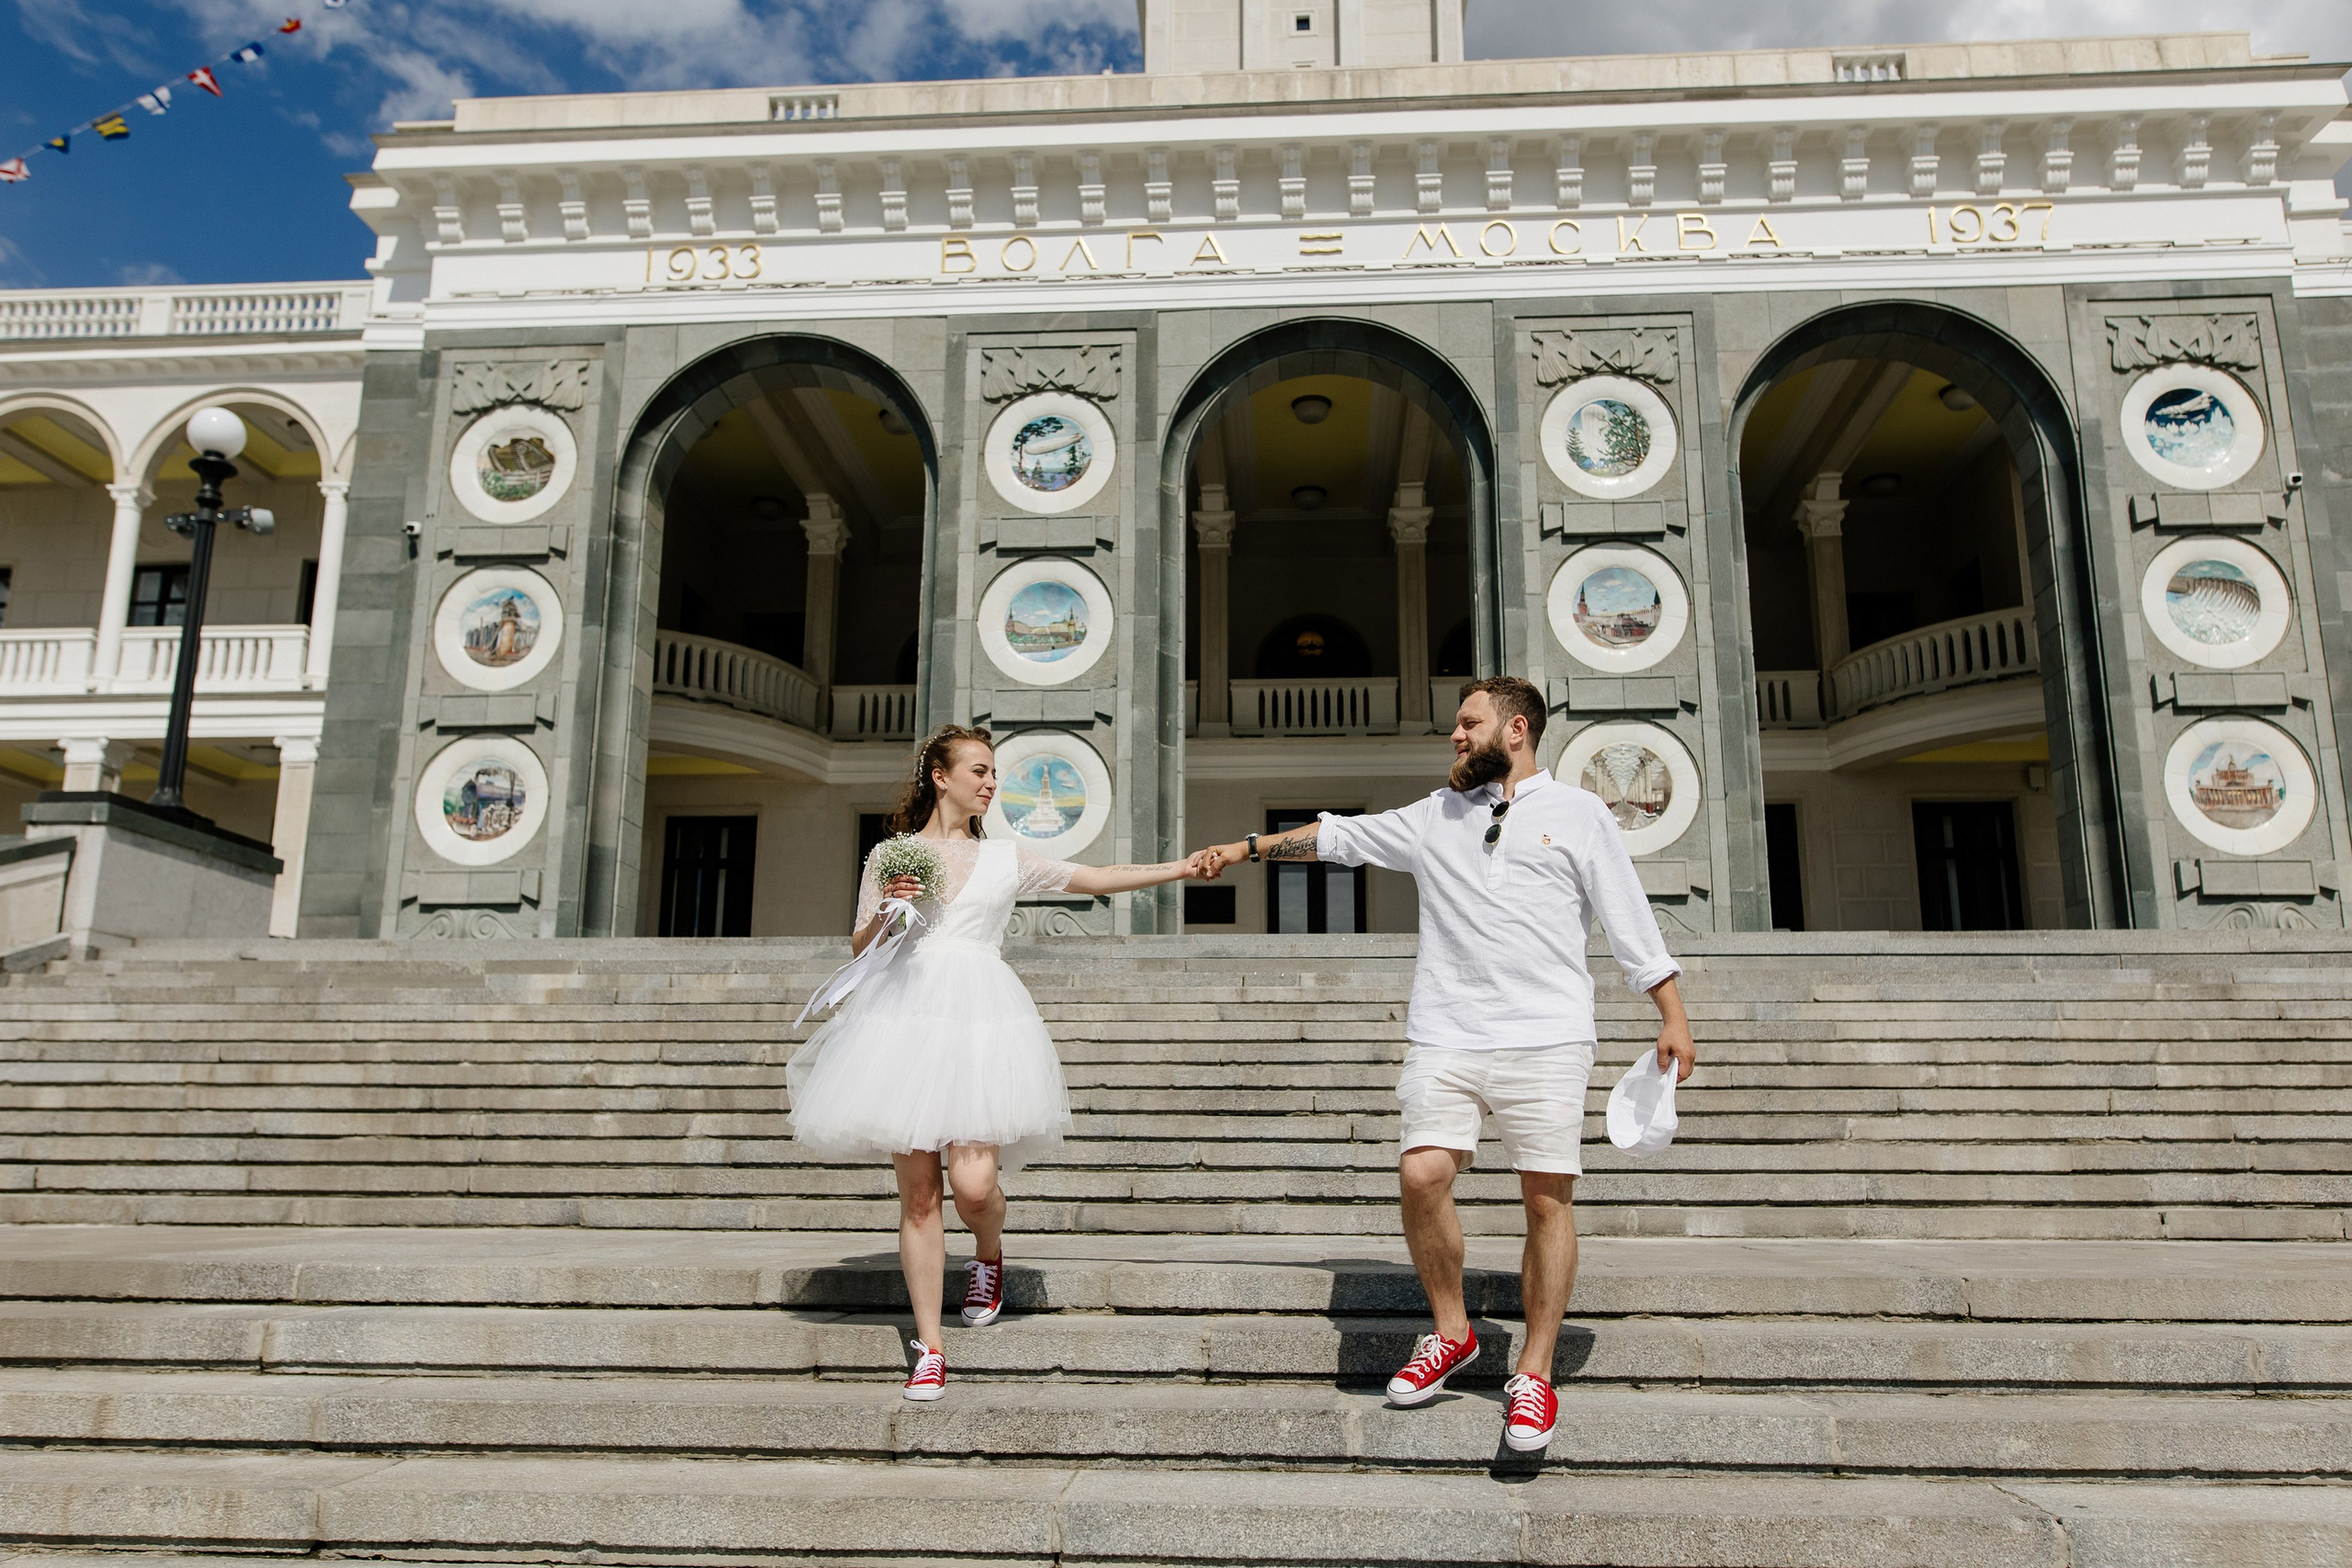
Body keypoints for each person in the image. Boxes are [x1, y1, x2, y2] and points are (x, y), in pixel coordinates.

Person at [1198, 677, 1693, 1453]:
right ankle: (1453, 1331)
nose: (1455, 737)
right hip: (1447, 1032)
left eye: (1469, 724)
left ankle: (1533, 1370)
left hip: (1547, 1035)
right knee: (1422, 1173)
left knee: (1544, 1201)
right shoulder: (1436, 814)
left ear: (1517, 728)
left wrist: (1671, 1013)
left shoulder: (1579, 813)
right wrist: (1247, 847)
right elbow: (1340, 837)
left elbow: (1629, 916)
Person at [788, 725, 1213, 1402]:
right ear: (940, 775)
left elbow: (1097, 876)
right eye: (980, 770)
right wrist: (892, 907)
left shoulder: (1006, 858)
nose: (991, 782)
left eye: (994, 773)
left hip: (982, 1020)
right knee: (921, 1195)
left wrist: (1181, 868)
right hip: (904, 1020)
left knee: (976, 1187)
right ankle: (930, 1346)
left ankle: (988, 1254)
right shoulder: (892, 853)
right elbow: (860, 937)